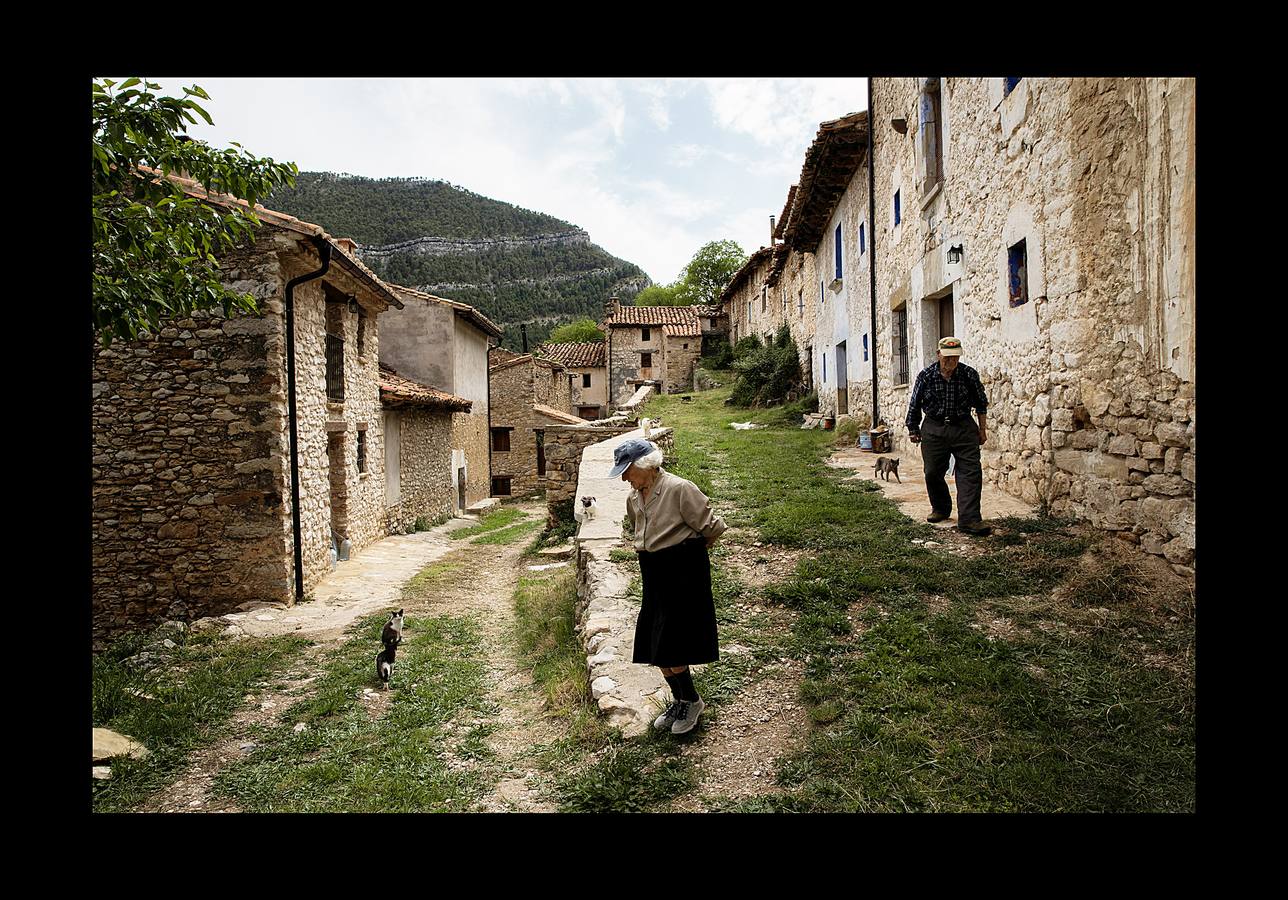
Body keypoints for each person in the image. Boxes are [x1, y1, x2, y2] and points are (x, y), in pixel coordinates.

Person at [610, 437, 727, 735]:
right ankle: (680, 699)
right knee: (656, 645)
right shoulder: (633, 497)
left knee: (674, 644)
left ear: (644, 466)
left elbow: (713, 528)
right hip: (653, 571)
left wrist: (689, 557)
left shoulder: (679, 488)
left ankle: (691, 701)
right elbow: (640, 531)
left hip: (682, 569)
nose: (624, 477)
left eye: (627, 470)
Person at [905, 336, 992, 536]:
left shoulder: (969, 374)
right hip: (934, 428)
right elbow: (915, 404)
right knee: (933, 471)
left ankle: (970, 520)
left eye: (955, 358)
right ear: (938, 355)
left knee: (970, 472)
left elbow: (981, 403)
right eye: (947, 358)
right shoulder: (926, 376)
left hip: (963, 427)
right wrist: (913, 428)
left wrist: (982, 429)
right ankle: (941, 508)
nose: (951, 362)